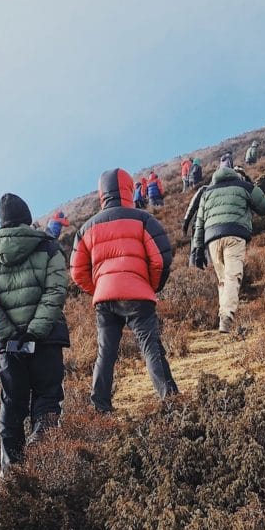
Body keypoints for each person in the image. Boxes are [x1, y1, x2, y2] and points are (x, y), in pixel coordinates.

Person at [70, 168, 177, 413]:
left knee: (105, 354)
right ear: (129, 188)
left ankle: (101, 408)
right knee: (151, 348)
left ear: (102, 193)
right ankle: (169, 400)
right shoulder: (143, 219)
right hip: (139, 295)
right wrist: (150, 285)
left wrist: (99, 289)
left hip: (105, 300)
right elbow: (160, 259)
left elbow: (77, 272)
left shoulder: (86, 228)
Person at [0, 194, 68, 474]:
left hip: (8, 347)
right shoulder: (49, 248)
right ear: (27, 217)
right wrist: (34, 332)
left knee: (12, 406)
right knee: (48, 397)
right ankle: (44, 457)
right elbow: (56, 291)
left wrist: (11, 335)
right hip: (46, 340)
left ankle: (12, 473)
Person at [189, 165, 265, 335]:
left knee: (223, 280)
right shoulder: (244, 186)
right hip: (235, 235)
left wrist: (197, 248)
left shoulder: (207, 192)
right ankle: (227, 317)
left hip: (212, 239)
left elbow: (199, 221)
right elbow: (264, 207)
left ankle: (223, 316)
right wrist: (249, 185)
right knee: (233, 276)